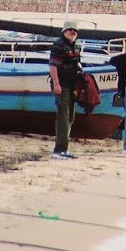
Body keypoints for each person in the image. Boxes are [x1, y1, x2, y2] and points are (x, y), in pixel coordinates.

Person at [48, 20, 82, 159]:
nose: (72, 32)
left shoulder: (75, 46)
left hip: (72, 85)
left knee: (70, 117)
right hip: (62, 84)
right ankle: (59, 150)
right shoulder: (58, 45)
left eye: (75, 30)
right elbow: (53, 65)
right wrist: (56, 84)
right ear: (63, 31)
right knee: (63, 117)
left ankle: (64, 148)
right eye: (70, 30)